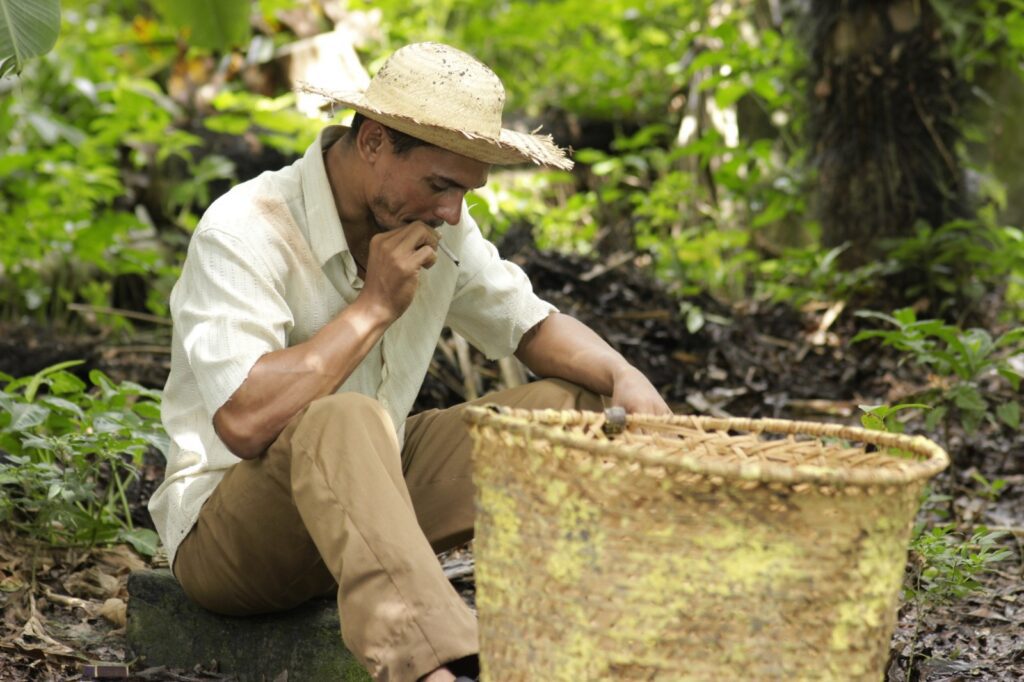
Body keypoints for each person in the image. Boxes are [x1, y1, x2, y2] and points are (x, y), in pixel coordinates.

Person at [148, 41, 670, 682]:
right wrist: (372, 307)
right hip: (232, 538)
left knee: (583, 414)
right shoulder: (244, 228)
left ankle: (609, 635)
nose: (452, 211)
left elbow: (529, 324)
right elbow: (245, 421)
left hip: (376, 490)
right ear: (372, 142)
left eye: (466, 190)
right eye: (440, 184)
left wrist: (626, 376)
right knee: (341, 418)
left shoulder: (443, 224)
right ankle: (428, 669)